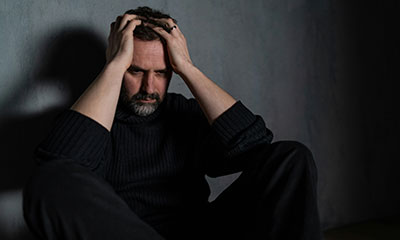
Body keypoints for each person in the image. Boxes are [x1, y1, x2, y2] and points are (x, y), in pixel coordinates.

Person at [23, 6, 322, 240]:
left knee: (292, 158)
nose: (149, 87)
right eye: (135, 70)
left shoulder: (183, 114)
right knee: (48, 179)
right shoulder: (92, 121)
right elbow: (58, 171)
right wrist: (115, 64)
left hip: (203, 235)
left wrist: (188, 68)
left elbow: (257, 146)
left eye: (162, 73)